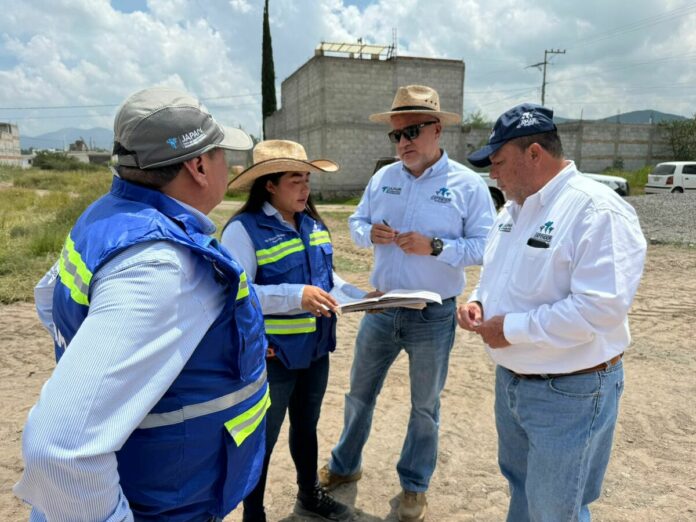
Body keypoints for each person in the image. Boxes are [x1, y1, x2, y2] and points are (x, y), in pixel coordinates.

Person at [14, 87, 269, 521]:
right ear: (200, 165)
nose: (231, 162)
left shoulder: (109, 217)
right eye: (222, 152)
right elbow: (58, 449)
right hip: (163, 506)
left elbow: (49, 303)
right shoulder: (162, 266)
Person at [459, 103, 647, 522]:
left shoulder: (596, 211)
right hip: (514, 382)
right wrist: (478, 302)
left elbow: (600, 311)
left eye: (499, 162)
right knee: (524, 492)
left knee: (555, 508)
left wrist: (510, 328)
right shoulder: (512, 212)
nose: (493, 173)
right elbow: (496, 277)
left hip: (570, 391)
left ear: (535, 154)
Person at [319, 85, 496, 522]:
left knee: (424, 406)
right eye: (396, 136)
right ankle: (345, 466)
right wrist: (368, 233)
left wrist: (436, 247)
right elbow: (357, 222)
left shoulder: (467, 185)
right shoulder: (384, 179)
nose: (403, 143)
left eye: (413, 131)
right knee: (359, 393)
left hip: (432, 314)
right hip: (380, 307)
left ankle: (414, 485)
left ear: (437, 130)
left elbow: (485, 247)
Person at [222, 140, 364, 522]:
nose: (305, 189)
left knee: (307, 428)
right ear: (269, 184)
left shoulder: (313, 225)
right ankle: (254, 514)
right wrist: (294, 295)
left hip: (316, 351)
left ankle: (308, 497)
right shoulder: (243, 230)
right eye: (295, 181)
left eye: (307, 180)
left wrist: (363, 295)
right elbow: (235, 291)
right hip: (273, 356)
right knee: (261, 441)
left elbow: (326, 278)